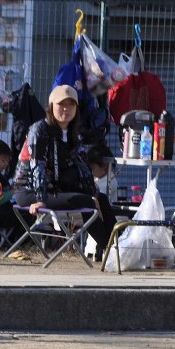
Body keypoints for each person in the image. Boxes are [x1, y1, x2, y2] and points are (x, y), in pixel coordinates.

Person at [11, 85, 117, 260]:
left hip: (54, 188)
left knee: (101, 198)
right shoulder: (39, 129)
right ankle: (111, 249)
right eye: (61, 104)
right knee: (86, 201)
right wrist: (40, 198)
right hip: (30, 191)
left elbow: (83, 167)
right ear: (51, 106)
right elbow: (37, 165)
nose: (66, 109)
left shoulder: (73, 134)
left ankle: (118, 246)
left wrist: (94, 193)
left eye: (71, 104)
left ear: (77, 108)